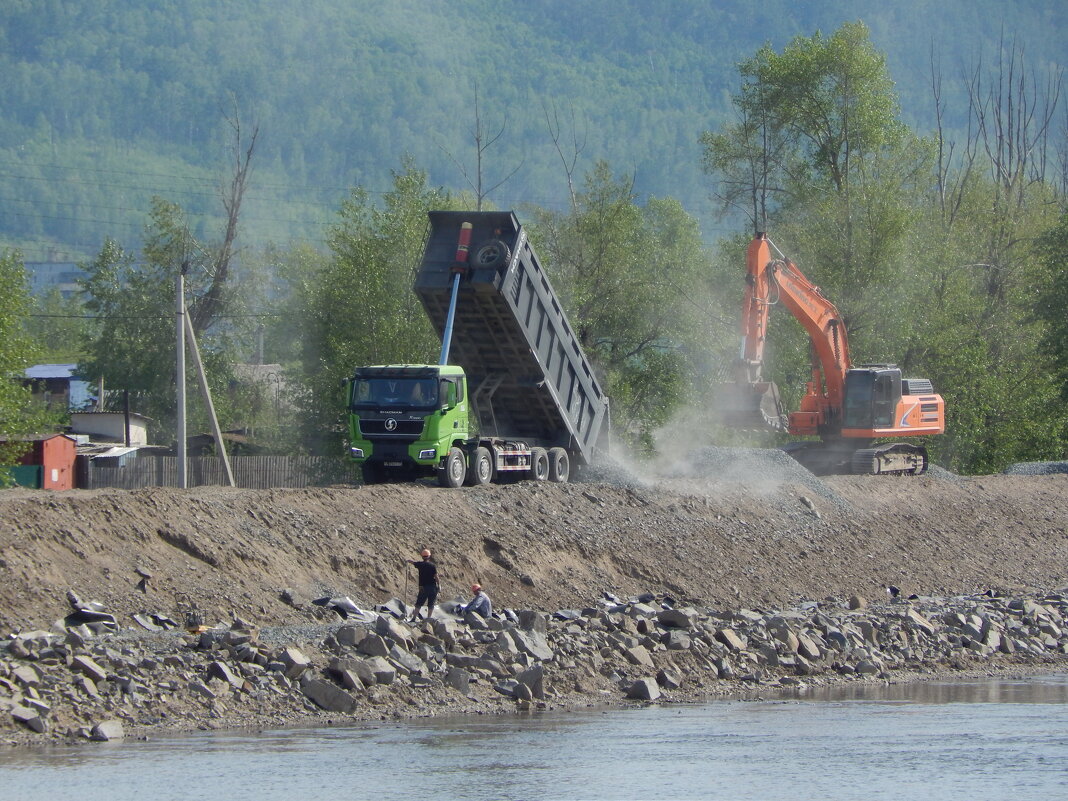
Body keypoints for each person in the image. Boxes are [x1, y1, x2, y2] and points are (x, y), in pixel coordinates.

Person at [407, 548, 438, 622]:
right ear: (429, 556)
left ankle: (414, 618)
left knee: (419, 603)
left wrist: (408, 561)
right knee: (431, 604)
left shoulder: (420, 565)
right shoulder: (432, 566)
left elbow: (413, 562)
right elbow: (436, 576)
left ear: (422, 557)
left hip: (423, 587)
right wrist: (439, 585)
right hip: (432, 587)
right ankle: (428, 619)